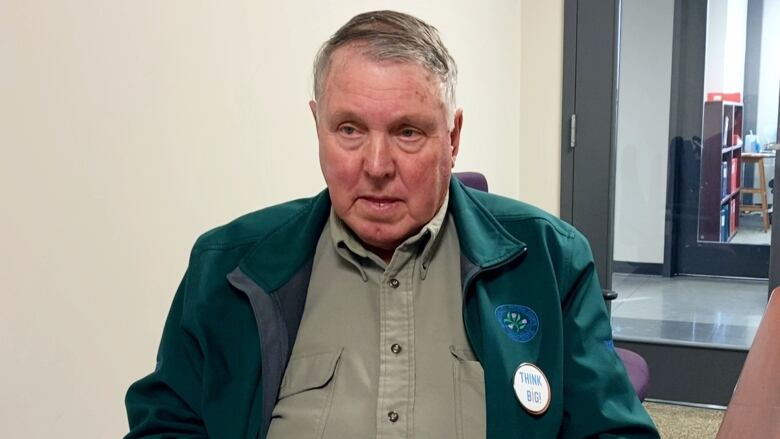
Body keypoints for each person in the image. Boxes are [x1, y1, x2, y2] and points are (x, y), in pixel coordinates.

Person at [125, 10, 659, 439]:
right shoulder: (227, 268)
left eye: (407, 132)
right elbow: (167, 423)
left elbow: (611, 430)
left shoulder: (550, 258)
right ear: (318, 127)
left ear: (452, 138)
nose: (376, 166)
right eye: (350, 129)